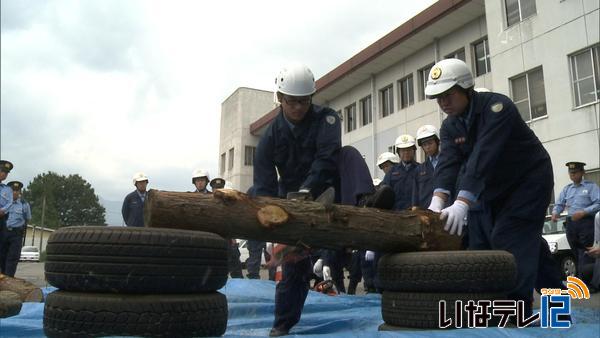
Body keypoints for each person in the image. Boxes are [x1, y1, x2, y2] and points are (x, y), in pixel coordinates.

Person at [425, 58, 559, 318]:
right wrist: (437, 200)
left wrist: (462, 202)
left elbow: (483, 157)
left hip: (528, 182)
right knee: (510, 242)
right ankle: (557, 297)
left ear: (465, 87)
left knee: (509, 238)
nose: (442, 102)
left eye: (447, 95)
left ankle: (515, 312)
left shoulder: (498, 108)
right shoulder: (451, 125)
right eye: (437, 97)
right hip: (495, 188)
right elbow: (448, 164)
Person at [253, 63, 379, 336]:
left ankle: (366, 203)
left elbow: (326, 158)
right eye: (292, 102)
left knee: (349, 154)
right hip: (294, 206)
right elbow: (263, 184)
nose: (298, 108)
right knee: (294, 268)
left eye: (304, 101)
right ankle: (282, 324)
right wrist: (274, 223)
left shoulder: (327, 119)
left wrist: (308, 190)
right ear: (280, 98)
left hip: (330, 191)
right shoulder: (268, 139)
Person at [552, 162, 600, 281]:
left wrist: (584, 212)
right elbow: (559, 203)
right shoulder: (567, 189)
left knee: (586, 252)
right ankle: (581, 280)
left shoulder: (591, 187)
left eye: (575, 172)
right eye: (570, 172)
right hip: (571, 223)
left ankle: (589, 281)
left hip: (586, 222)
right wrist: (555, 213)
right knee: (575, 251)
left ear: (582, 172)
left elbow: (598, 203)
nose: (572, 174)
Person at [0, 181, 31, 277]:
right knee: (2, 257)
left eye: (17, 190)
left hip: (16, 234)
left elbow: (27, 218)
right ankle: (2, 277)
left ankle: (9, 279)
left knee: (12, 258)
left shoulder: (24, 204)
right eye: (13, 190)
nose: (15, 193)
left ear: (20, 192)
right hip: (3, 232)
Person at [382, 134, 419, 211]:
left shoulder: (421, 169)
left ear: (414, 151)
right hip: (396, 215)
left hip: (417, 215)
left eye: (409, 150)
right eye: (403, 150)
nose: (406, 153)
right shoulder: (391, 172)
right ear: (398, 152)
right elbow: (384, 194)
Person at [412, 125, 441, 209]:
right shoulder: (419, 170)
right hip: (427, 213)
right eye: (424, 145)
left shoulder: (448, 163)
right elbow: (415, 195)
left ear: (437, 142)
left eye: (430, 143)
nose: (427, 147)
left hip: (447, 210)